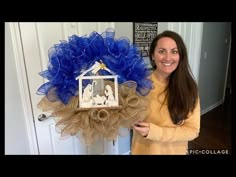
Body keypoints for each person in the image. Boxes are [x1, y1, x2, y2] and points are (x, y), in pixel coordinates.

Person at [131, 30, 200, 155]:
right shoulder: (139, 84)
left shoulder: (189, 88)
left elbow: (193, 130)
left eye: (174, 51)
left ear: (181, 56)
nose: (168, 57)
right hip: (141, 151)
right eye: (162, 51)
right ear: (153, 55)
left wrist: (155, 132)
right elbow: (129, 119)